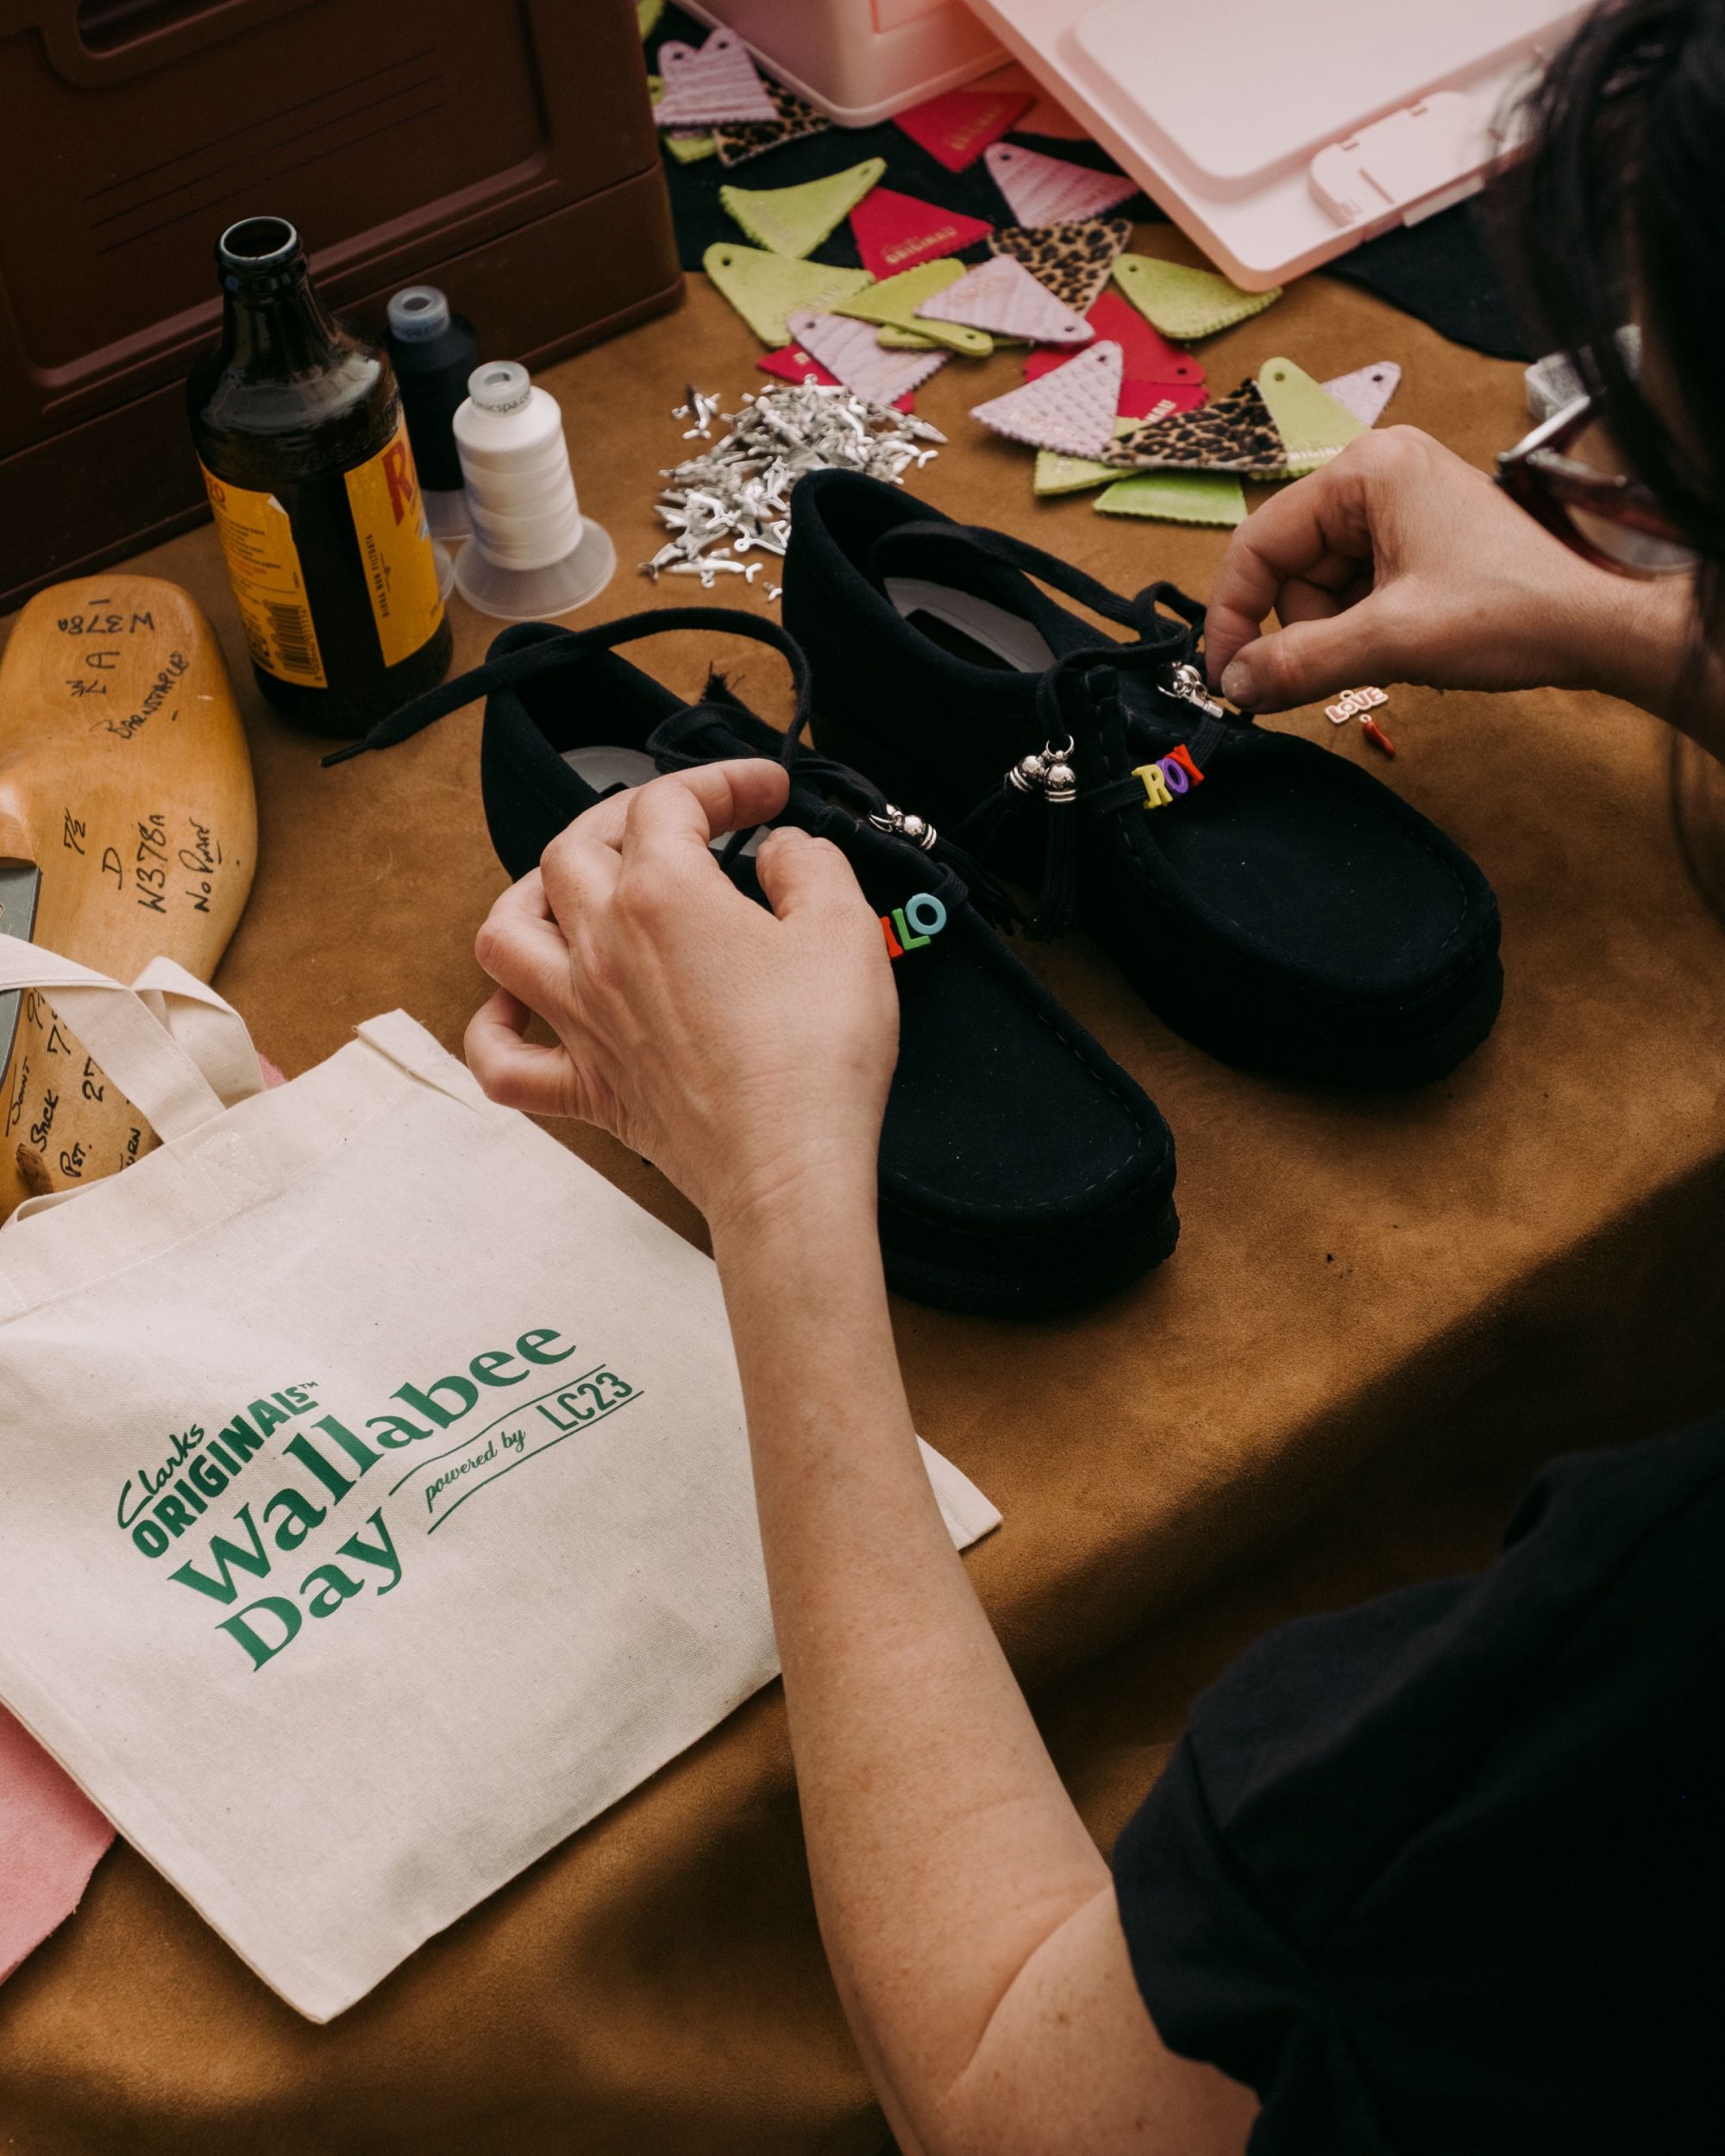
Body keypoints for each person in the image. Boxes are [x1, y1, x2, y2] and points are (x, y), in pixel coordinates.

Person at [465, 2, 1723, 2147]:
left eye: (1655, 487)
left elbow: (1023, 2097)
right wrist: (1636, 626)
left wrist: (774, 1183)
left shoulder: (1644, 1654)